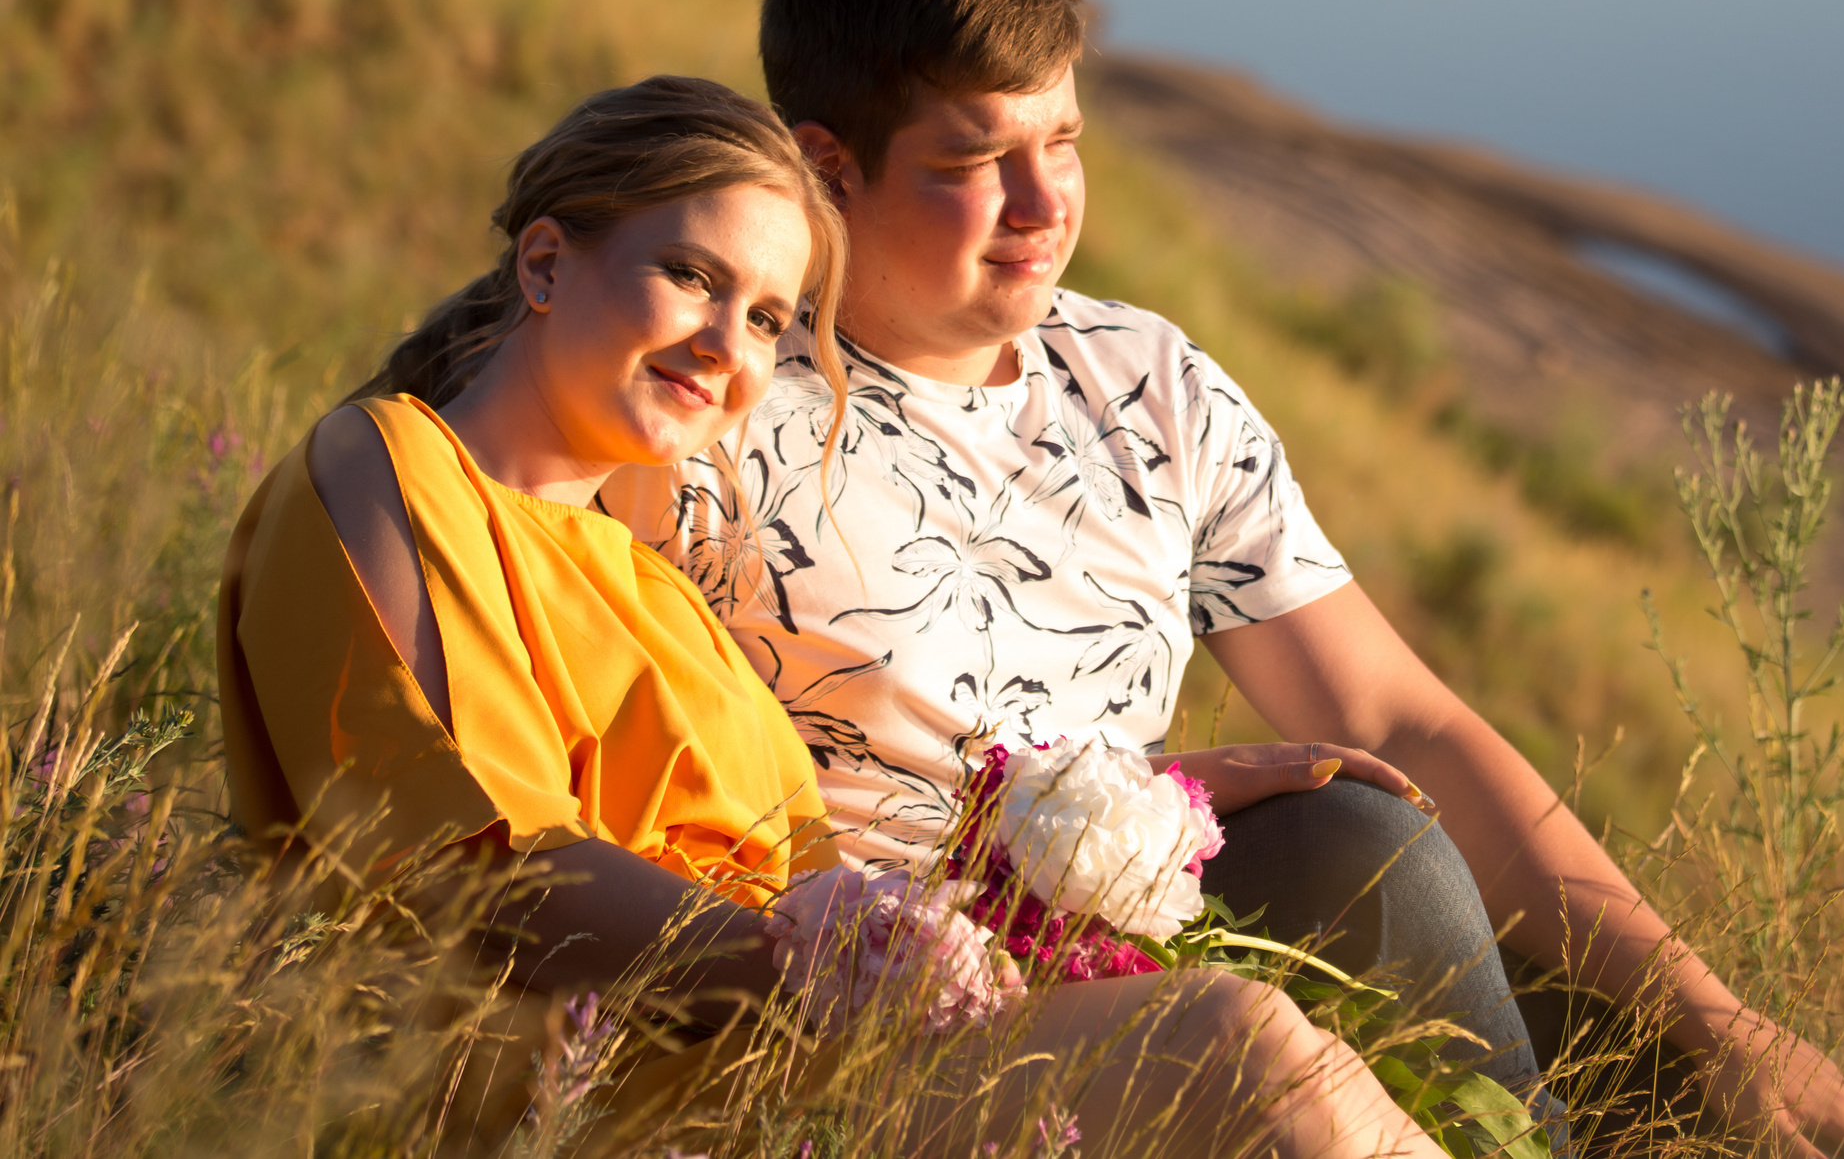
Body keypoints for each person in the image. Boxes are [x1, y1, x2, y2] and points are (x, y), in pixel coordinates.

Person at [605, 0, 1844, 1158]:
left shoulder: (1142, 379)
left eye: (1063, 140)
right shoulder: (709, 410)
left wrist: (1720, 1015)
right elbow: (640, 809)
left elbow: (1397, 717)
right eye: (974, 162)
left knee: (1404, 860)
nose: (1042, 202)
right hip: (889, 1006)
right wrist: (1108, 805)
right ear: (829, 168)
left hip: (1142, 941)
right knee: (1339, 893)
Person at [219, 75, 1445, 1158]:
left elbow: (803, 878)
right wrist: (807, 957)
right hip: (608, 1088)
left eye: (767, 318)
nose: (726, 345)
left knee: (1303, 1055)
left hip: (785, 1047)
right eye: (691, 276)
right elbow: (473, 865)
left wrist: (1083, 811)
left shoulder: (652, 589)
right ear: (545, 265)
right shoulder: (385, 467)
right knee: (1230, 1044)